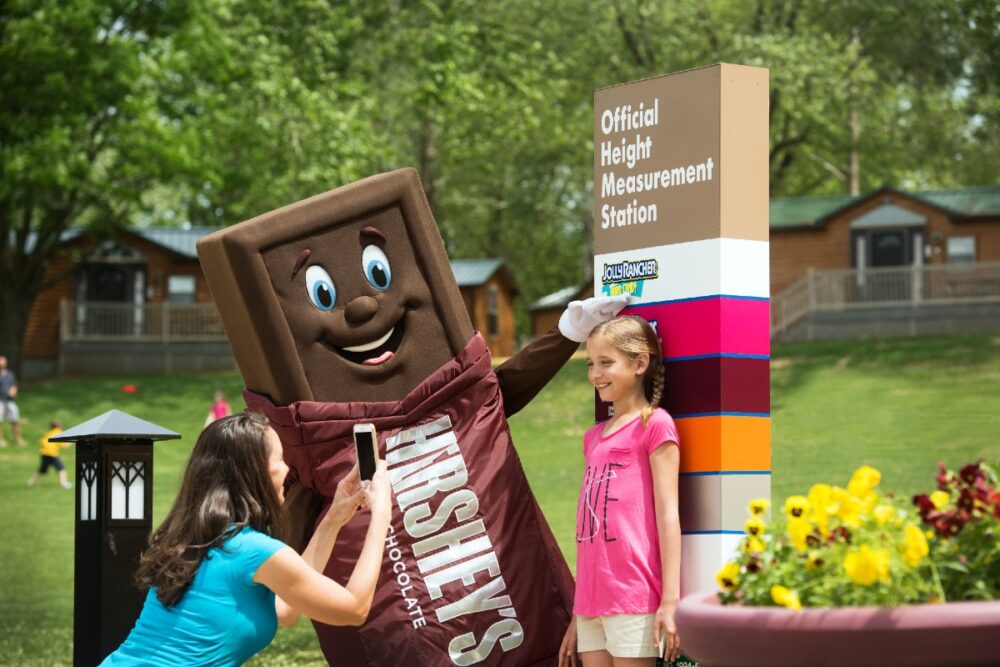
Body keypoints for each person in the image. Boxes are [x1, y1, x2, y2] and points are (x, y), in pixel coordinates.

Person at [100, 411, 392, 666]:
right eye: (279, 458)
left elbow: (286, 611)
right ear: (255, 471)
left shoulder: (201, 541)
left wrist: (334, 518)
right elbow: (353, 609)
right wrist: (380, 514)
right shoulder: (253, 551)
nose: (287, 469)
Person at [559, 316, 682, 667]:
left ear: (640, 363)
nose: (595, 374)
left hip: (634, 598)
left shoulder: (655, 425)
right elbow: (590, 533)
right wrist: (577, 612)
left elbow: (668, 514)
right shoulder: (592, 438)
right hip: (590, 604)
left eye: (606, 363)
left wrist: (670, 601)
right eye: (590, 364)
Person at [27, 420, 71, 489]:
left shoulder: (48, 433)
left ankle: (30, 482)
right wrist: (73, 442)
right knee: (61, 469)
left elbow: (41, 442)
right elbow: (65, 445)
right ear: (59, 426)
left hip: (44, 454)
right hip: (52, 454)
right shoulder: (58, 432)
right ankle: (64, 484)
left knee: (42, 470)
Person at [0, 355, 25, 447]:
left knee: (15, 420)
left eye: (3, 361)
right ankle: (1, 440)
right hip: (0, 401)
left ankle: (18, 439)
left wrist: (14, 391)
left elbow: (14, 385)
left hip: (10, 401)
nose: (1, 363)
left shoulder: (10, 374)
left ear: (5, 363)